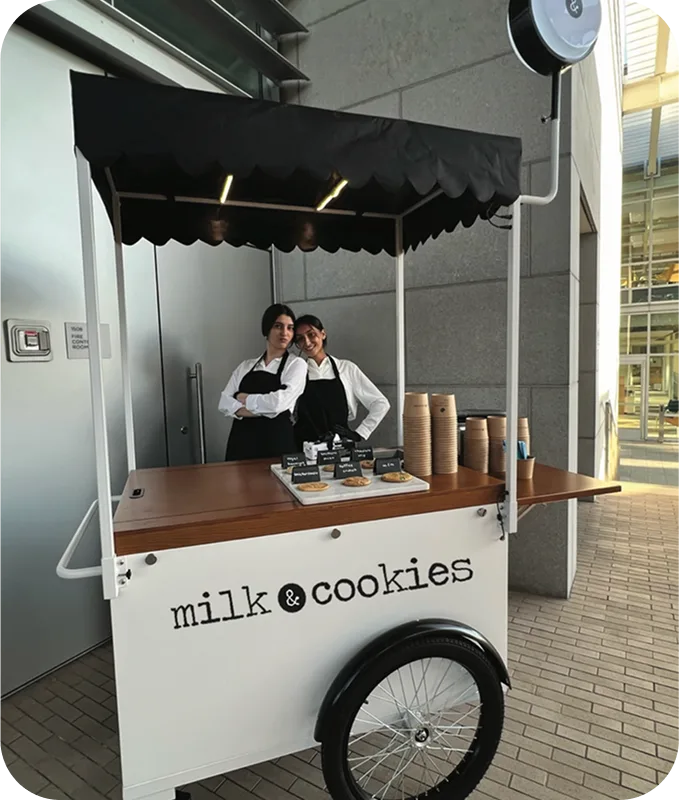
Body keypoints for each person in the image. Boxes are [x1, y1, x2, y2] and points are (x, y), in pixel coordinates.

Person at [219, 304, 307, 461]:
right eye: (278, 326)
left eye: (290, 328)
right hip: (241, 445)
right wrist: (265, 410)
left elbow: (278, 403)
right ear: (266, 329)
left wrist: (242, 398)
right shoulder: (245, 366)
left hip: (277, 445)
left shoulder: (296, 364)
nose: (284, 333)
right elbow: (224, 402)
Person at [293, 314, 390, 448]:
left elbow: (381, 403)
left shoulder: (346, 368)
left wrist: (360, 433)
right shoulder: (297, 372)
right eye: (300, 339)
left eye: (311, 334)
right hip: (304, 448)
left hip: (340, 449)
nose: (307, 342)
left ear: (323, 334)